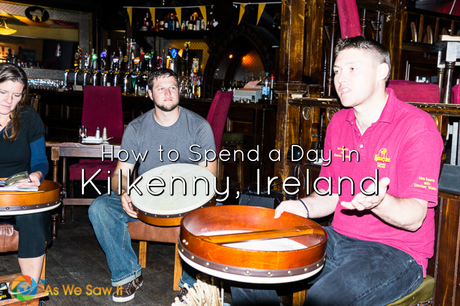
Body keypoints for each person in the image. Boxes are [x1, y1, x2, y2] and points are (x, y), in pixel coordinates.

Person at [231, 36, 443, 305]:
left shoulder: (417, 127)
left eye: (352, 69)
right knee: (247, 266)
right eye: (337, 71)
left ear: (382, 72)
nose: (341, 79)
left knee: (323, 298)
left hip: (396, 252)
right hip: (338, 238)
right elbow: (329, 194)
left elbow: (414, 218)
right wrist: (300, 207)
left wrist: (380, 202)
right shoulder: (339, 122)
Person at [88, 68, 217, 303]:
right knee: (99, 207)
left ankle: (190, 285)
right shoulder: (137, 128)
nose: (168, 93)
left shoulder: (199, 127)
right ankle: (127, 275)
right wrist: (124, 193)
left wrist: (185, 199)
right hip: (145, 201)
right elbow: (121, 173)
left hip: (186, 202)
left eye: (173, 88)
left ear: (180, 92)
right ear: (149, 94)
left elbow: (208, 178)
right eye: (160, 88)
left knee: (203, 215)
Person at [0, 63, 50, 283]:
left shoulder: (29, 117)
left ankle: (29, 291)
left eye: (16, 95)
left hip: (17, 196)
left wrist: (37, 175)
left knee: (33, 216)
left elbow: (40, 160)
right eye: (3, 92)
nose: (9, 100)